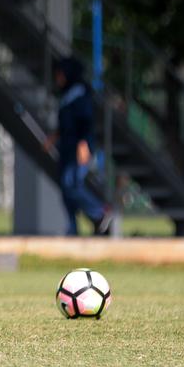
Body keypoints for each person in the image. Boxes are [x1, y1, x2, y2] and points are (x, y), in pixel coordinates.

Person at [47, 57, 111, 236]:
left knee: (71, 183)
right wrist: (54, 137)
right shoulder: (67, 95)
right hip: (66, 146)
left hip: (79, 146)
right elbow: (66, 122)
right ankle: (72, 228)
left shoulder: (80, 93)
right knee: (66, 190)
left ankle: (100, 212)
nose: (57, 78)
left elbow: (84, 121)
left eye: (60, 74)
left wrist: (83, 144)